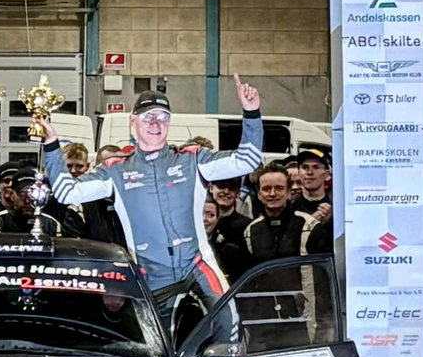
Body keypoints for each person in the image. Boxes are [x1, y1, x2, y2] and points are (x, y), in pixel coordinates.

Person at [42, 74, 263, 328]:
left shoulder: (191, 159)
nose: (156, 123)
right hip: (151, 273)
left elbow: (247, 160)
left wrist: (251, 113)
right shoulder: (116, 170)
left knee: (228, 322)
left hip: (197, 264)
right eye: (148, 117)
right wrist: (51, 145)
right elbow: (66, 192)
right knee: (159, 341)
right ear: (133, 122)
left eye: (163, 117)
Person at [243, 163, 326, 262]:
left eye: (279, 188)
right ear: (259, 195)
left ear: (288, 192)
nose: (272, 194)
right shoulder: (251, 230)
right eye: (266, 189)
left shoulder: (309, 226)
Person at [0, 169, 62, 236]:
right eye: (22, 194)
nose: (27, 201)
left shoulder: (52, 225)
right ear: (12, 195)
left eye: (32, 194)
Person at [203, 197, 249, 284]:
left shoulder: (230, 251)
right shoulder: (182, 249)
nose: (205, 219)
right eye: (200, 214)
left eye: (211, 215)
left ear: (217, 219)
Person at [208, 178, 250, 253]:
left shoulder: (247, 226)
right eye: (221, 186)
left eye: (232, 188)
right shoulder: (199, 222)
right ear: (211, 188)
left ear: (238, 193)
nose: (226, 191)